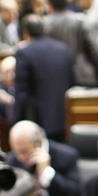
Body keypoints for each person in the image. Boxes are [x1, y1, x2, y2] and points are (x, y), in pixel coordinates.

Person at [14, 14, 74, 142]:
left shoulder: (24, 52)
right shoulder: (63, 49)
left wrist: (16, 120)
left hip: (38, 119)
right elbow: (71, 80)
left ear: (25, 32)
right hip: (64, 115)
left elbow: (21, 92)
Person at [7, 120, 82, 196]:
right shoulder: (11, 159)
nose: (19, 157)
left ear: (38, 143)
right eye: (15, 151)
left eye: (24, 152)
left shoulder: (66, 156)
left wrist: (47, 171)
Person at [45, 0, 98, 88]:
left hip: (56, 79)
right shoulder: (80, 20)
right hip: (82, 76)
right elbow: (95, 51)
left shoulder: (45, 24)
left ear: (50, 5)